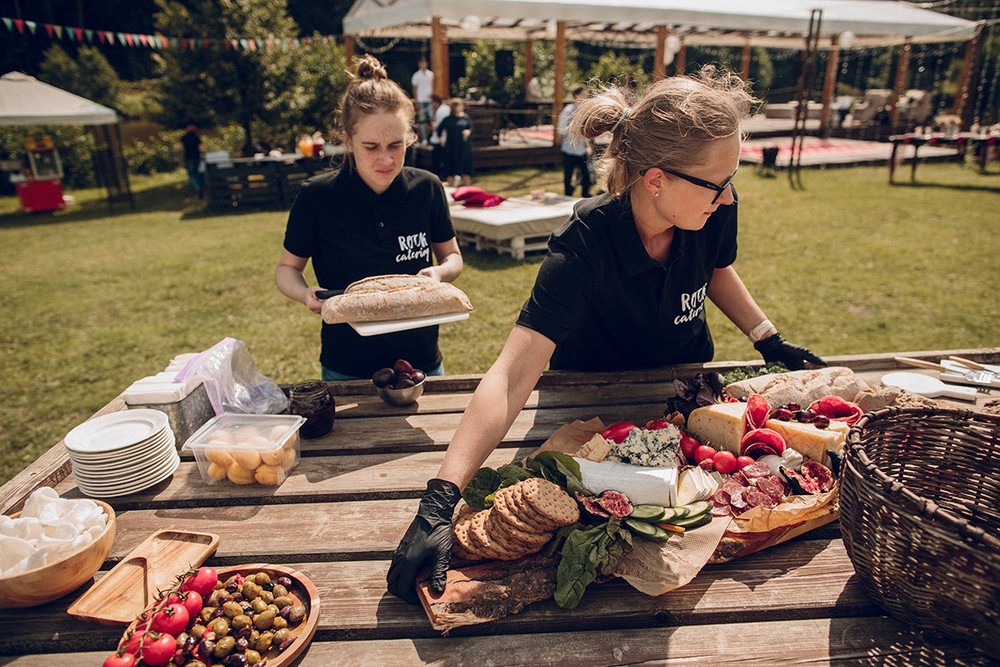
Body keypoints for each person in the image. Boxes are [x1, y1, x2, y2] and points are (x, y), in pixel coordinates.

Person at [386, 66, 826, 603]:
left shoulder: (709, 210)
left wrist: (766, 337)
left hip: (682, 396)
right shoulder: (583, 246)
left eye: (733, 179)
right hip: (585, 413)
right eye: (718, 183)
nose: (729, 198)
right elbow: (512, 373)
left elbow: (715, 270)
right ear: (656, 179)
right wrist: (440, 499)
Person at [275, 55, 464, 381]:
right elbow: (287, 269)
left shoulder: (427, 188)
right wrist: (303, 292)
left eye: (396, 145)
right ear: (348, 140)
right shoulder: (317, 196)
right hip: (346, 366)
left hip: (422, 362)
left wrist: (439, 273)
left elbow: (453, 257)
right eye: (371, 147)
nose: (386, 159)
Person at [559, 84, 591, 197]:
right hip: (569, 148)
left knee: (586, 174)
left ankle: (585, 195)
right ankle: (567, 195)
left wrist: (588, 146)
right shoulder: (567, 111)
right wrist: (573, 130)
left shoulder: (584, 111)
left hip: (581, 149)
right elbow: (561, 129)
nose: (585, 97)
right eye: (583, 94)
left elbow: (586, 131)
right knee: (568, 174)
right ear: (576, 96)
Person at [437, 98, 473, 187]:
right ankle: (451, 188)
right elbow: (439, 129)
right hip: (451, 146)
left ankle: (467, 189)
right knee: (451, 169)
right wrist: (441, 138)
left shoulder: (465, 117)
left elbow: (470, 127)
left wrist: (468, 131)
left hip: (463, 146)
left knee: (465, 168)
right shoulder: (448, 119)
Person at [411, 57, 434, 144]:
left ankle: (432, 137)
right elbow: (415, 89)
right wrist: (416, 101)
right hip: (421, 99)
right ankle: (424, 138)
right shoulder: (416, 75)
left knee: (432, 119)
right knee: (422, 119)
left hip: (430, 100)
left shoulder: (431, 74)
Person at [178, 122, 204, 197]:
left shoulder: (184, 138)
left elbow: (179, 148)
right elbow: (201, 149)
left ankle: (197, 187)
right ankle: (199, 187)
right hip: (197, 158)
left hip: (188, 158)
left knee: (191, 174)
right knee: (197, 173)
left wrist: (177, 156)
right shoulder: (197, 137)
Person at [428, 94, 451, 179]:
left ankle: (441, 176)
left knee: (439, 159)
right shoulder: (440, 110)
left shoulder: (442, 111)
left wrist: (442, 137)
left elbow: (443, 126)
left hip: (440, 139)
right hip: (439, 138)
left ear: (436, 102)